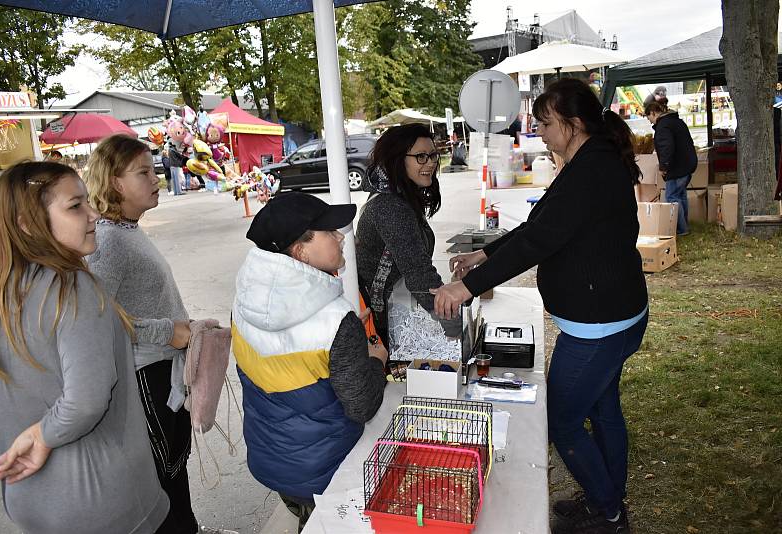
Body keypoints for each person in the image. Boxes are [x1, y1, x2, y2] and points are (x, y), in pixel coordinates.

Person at [432, 78, 649, 534]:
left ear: (572, 124)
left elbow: (539, 239)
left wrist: (467, 286)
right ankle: (609, 497)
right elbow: (541, 225)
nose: (540, 132)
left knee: (564, 421)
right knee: (603, 407)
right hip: (615, 316)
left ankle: (608, 512)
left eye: (546, 123)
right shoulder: (586, 161)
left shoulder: (590, 171)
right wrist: (484, 254)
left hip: (599, 327)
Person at [0, 161, 171, 533]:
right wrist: (41, 435)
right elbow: (86, 400)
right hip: (102, 501)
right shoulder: (72, 287)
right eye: (75, 206)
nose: (94, 214)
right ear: (26, 223)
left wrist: (11, 454)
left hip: (29, 497)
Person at [84, 135, 232, 534]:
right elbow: (100, 321)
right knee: (163, 476)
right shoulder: (108, 242)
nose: (157, 178)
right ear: (115, 183)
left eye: (154, 169)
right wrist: (170, 332)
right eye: (143, 172)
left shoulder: (125, 230)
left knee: (173, 468)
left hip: (162, 370)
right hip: (145, 379)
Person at [233, 192, 388, 532]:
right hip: (325, 468)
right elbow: (362, 405)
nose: (340, 236)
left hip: (270, 456)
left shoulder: (245, 296)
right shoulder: (335, 319)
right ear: (299, 249)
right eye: (329, 232)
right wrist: (375, 360)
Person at [355, 123, 446, 347]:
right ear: (397, 159)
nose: (431, 163)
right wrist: (451, 315)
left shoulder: (396, 195)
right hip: (383, 325)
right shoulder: (390, 206)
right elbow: (419, 273)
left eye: (433, 155)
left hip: (394, 314)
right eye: (421, 157)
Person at [645, 100, 698, 235]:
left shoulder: (663, 126)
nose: (650, 121)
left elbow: (666, 148)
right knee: (681, 195)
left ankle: (681, 228)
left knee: (672, 197)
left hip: (677, 167)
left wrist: (664, 167)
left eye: (649, 117)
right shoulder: (676, 122)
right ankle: (684, 225)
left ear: (653, 113)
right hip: (687, 164)